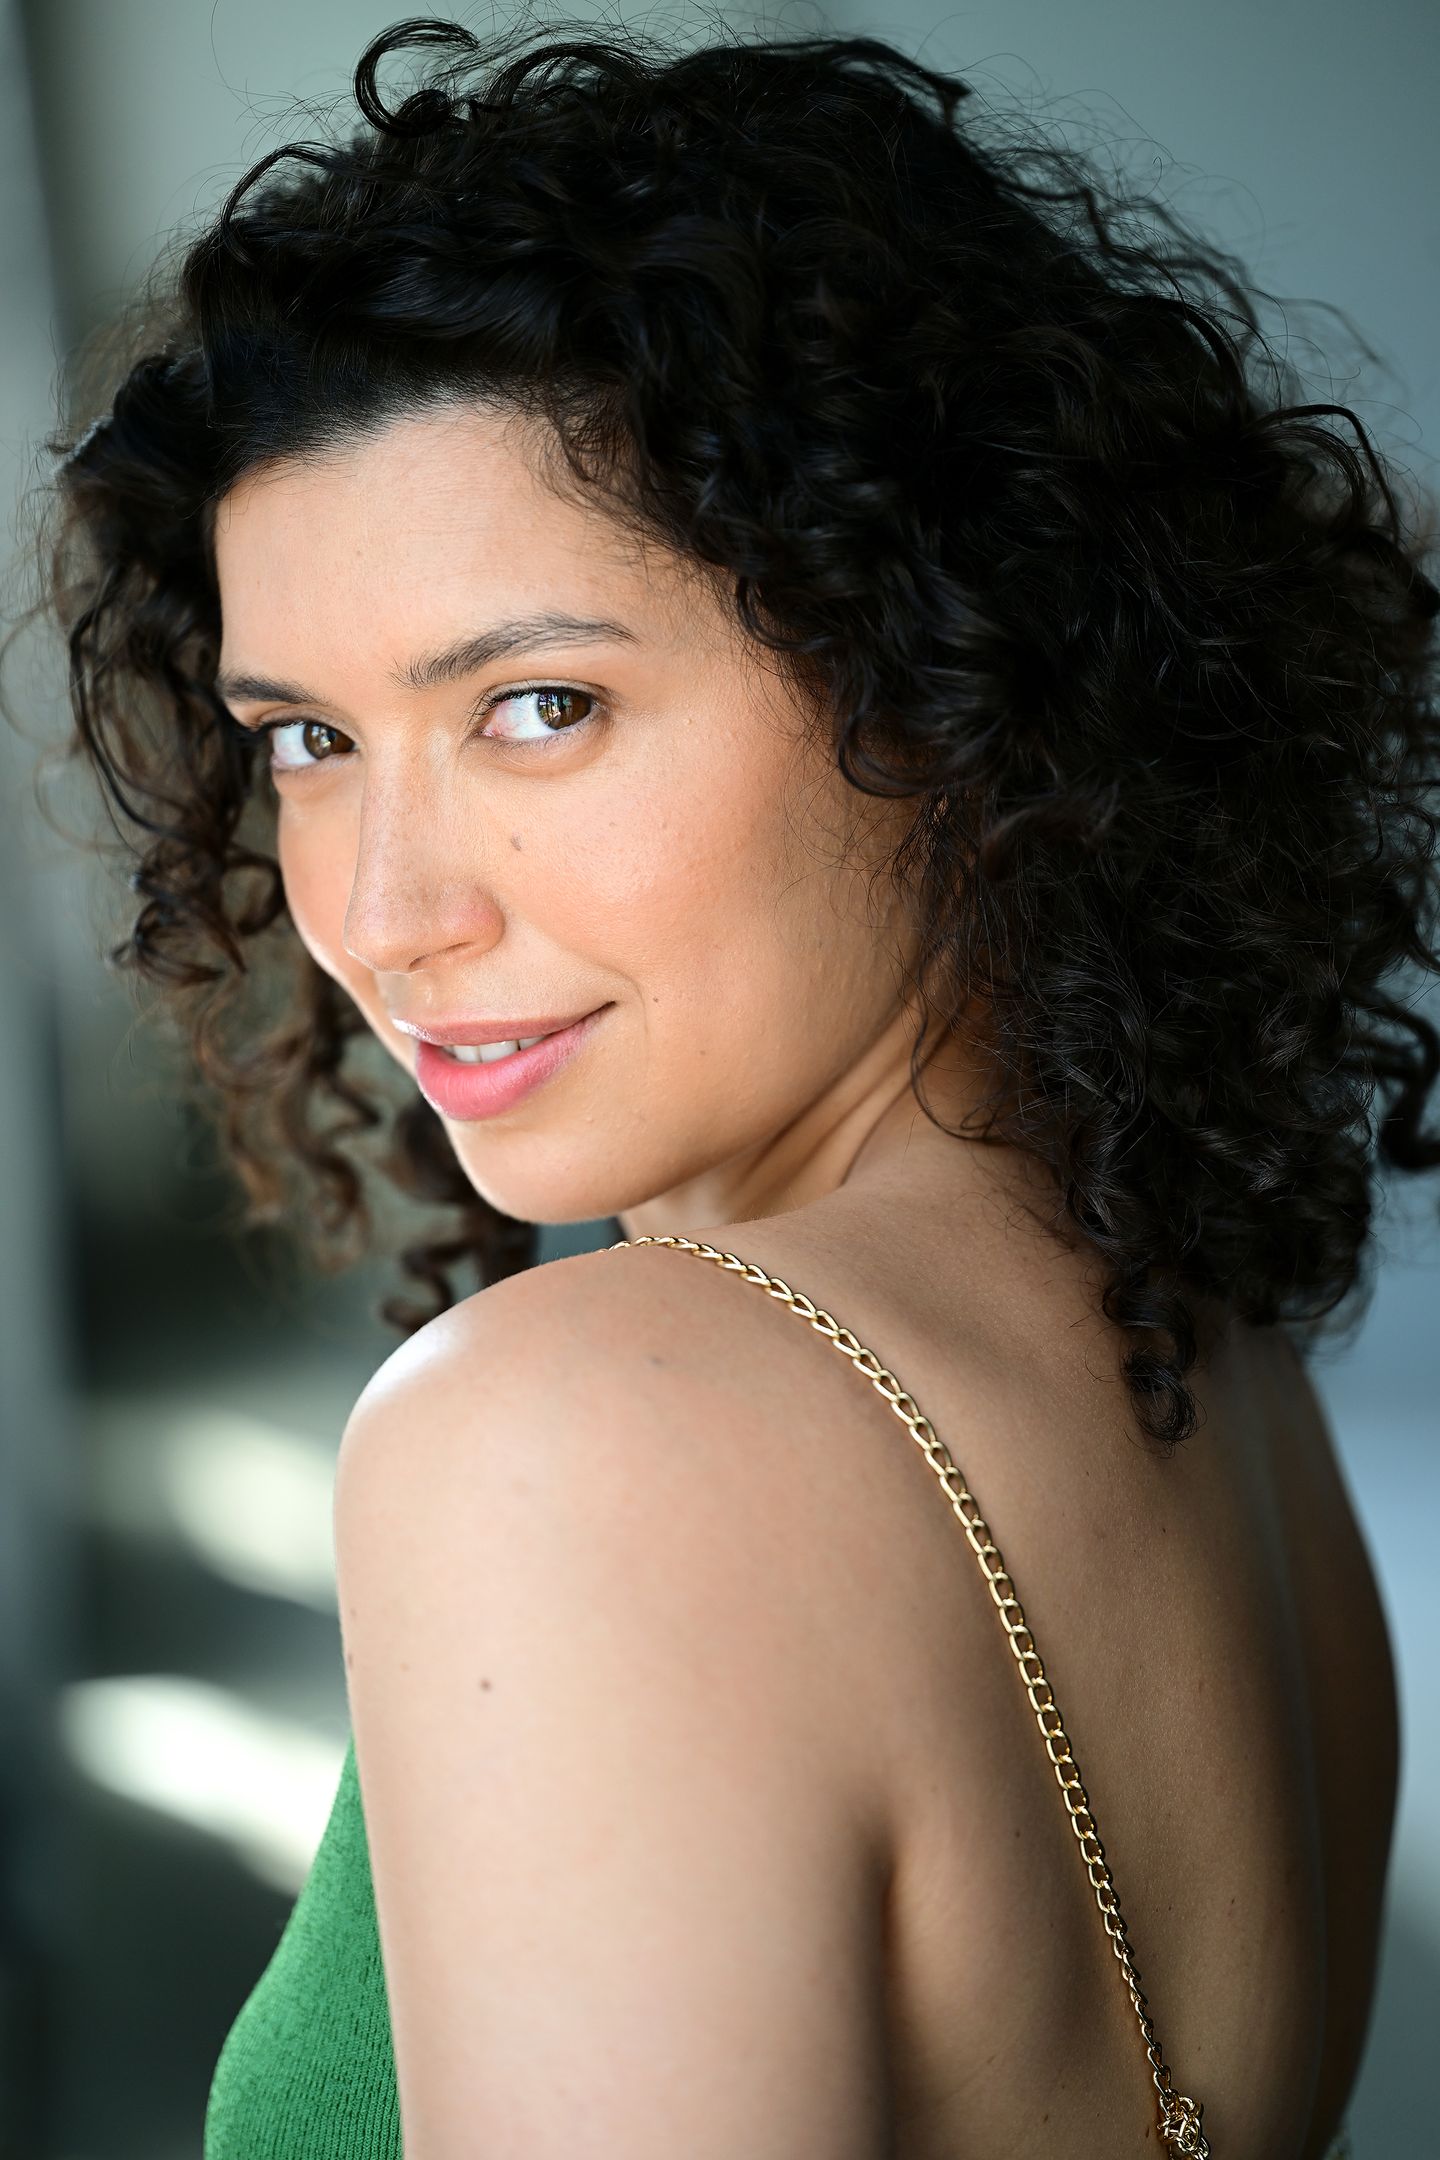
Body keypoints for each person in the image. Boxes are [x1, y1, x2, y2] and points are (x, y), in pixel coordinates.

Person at [38, 15, 1437, 2157]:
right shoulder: (1195, 1340)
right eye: (306, 739)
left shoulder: (576, 1441)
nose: (385, 914)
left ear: (945, 678)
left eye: (539, 706)